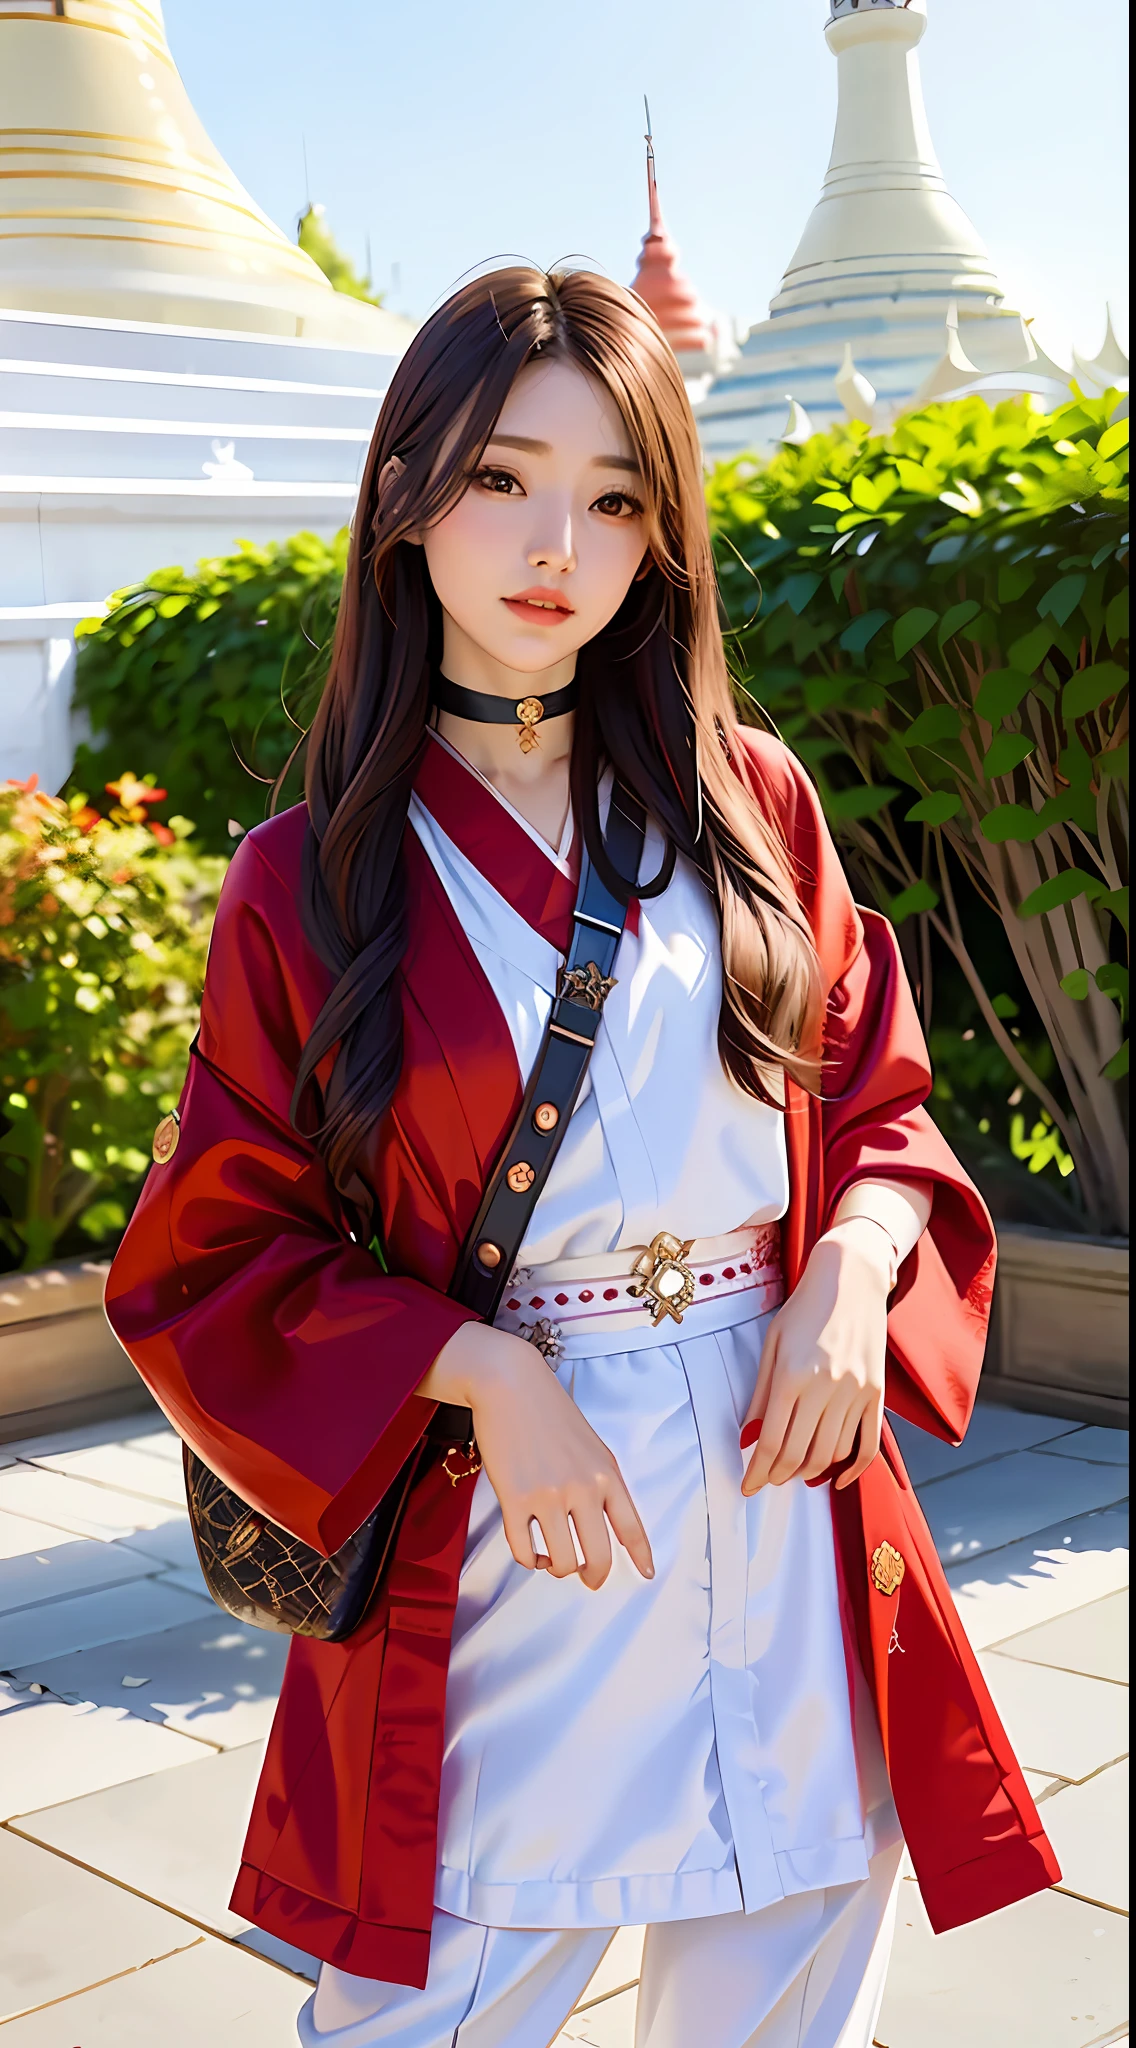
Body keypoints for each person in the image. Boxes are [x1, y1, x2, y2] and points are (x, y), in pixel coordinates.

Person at [106, 267, 1057, 2048]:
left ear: (661, 538)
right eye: (500, 477)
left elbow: (879, 1093)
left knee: (787, 1980)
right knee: (440, 2004)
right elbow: (213, 1257)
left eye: (615, 497)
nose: (559, 540)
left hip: (785, 1470)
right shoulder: (308, 881)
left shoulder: (747, 796)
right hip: (516, 1510)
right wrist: (476, 1371)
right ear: (406, 497)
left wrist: (853, 1276)